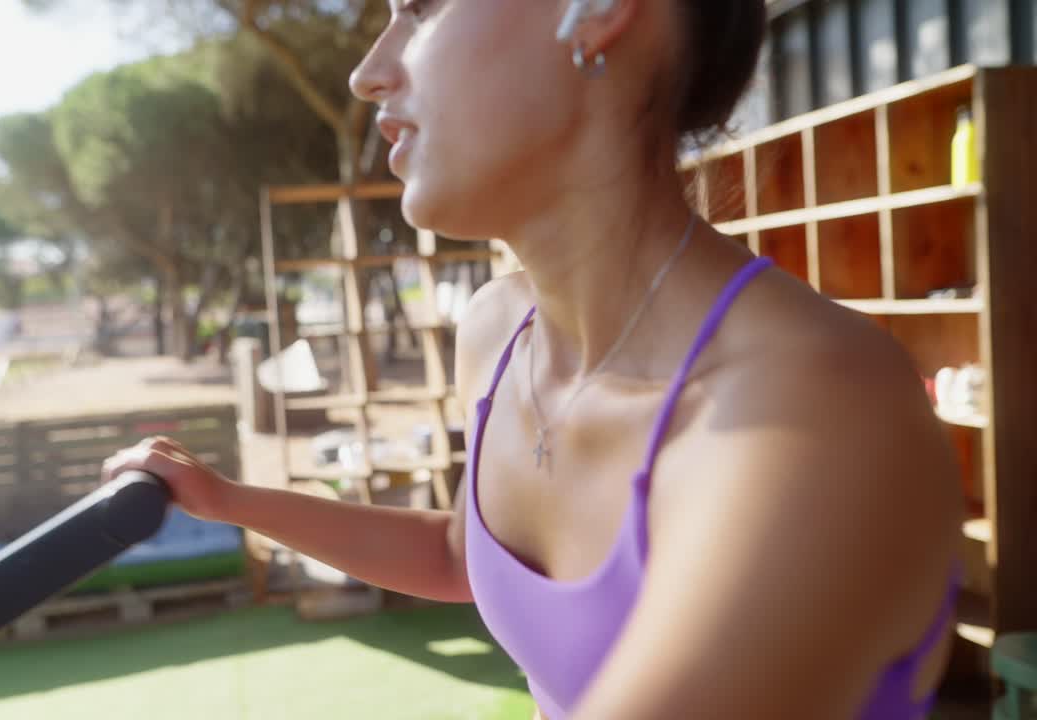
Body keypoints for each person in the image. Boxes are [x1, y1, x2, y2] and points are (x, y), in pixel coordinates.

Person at [102, 0, 964, 717]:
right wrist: (230, 500)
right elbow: (459, 555)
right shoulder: (496, 333)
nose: (368, 72)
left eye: (421, 8)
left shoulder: (811, 408)